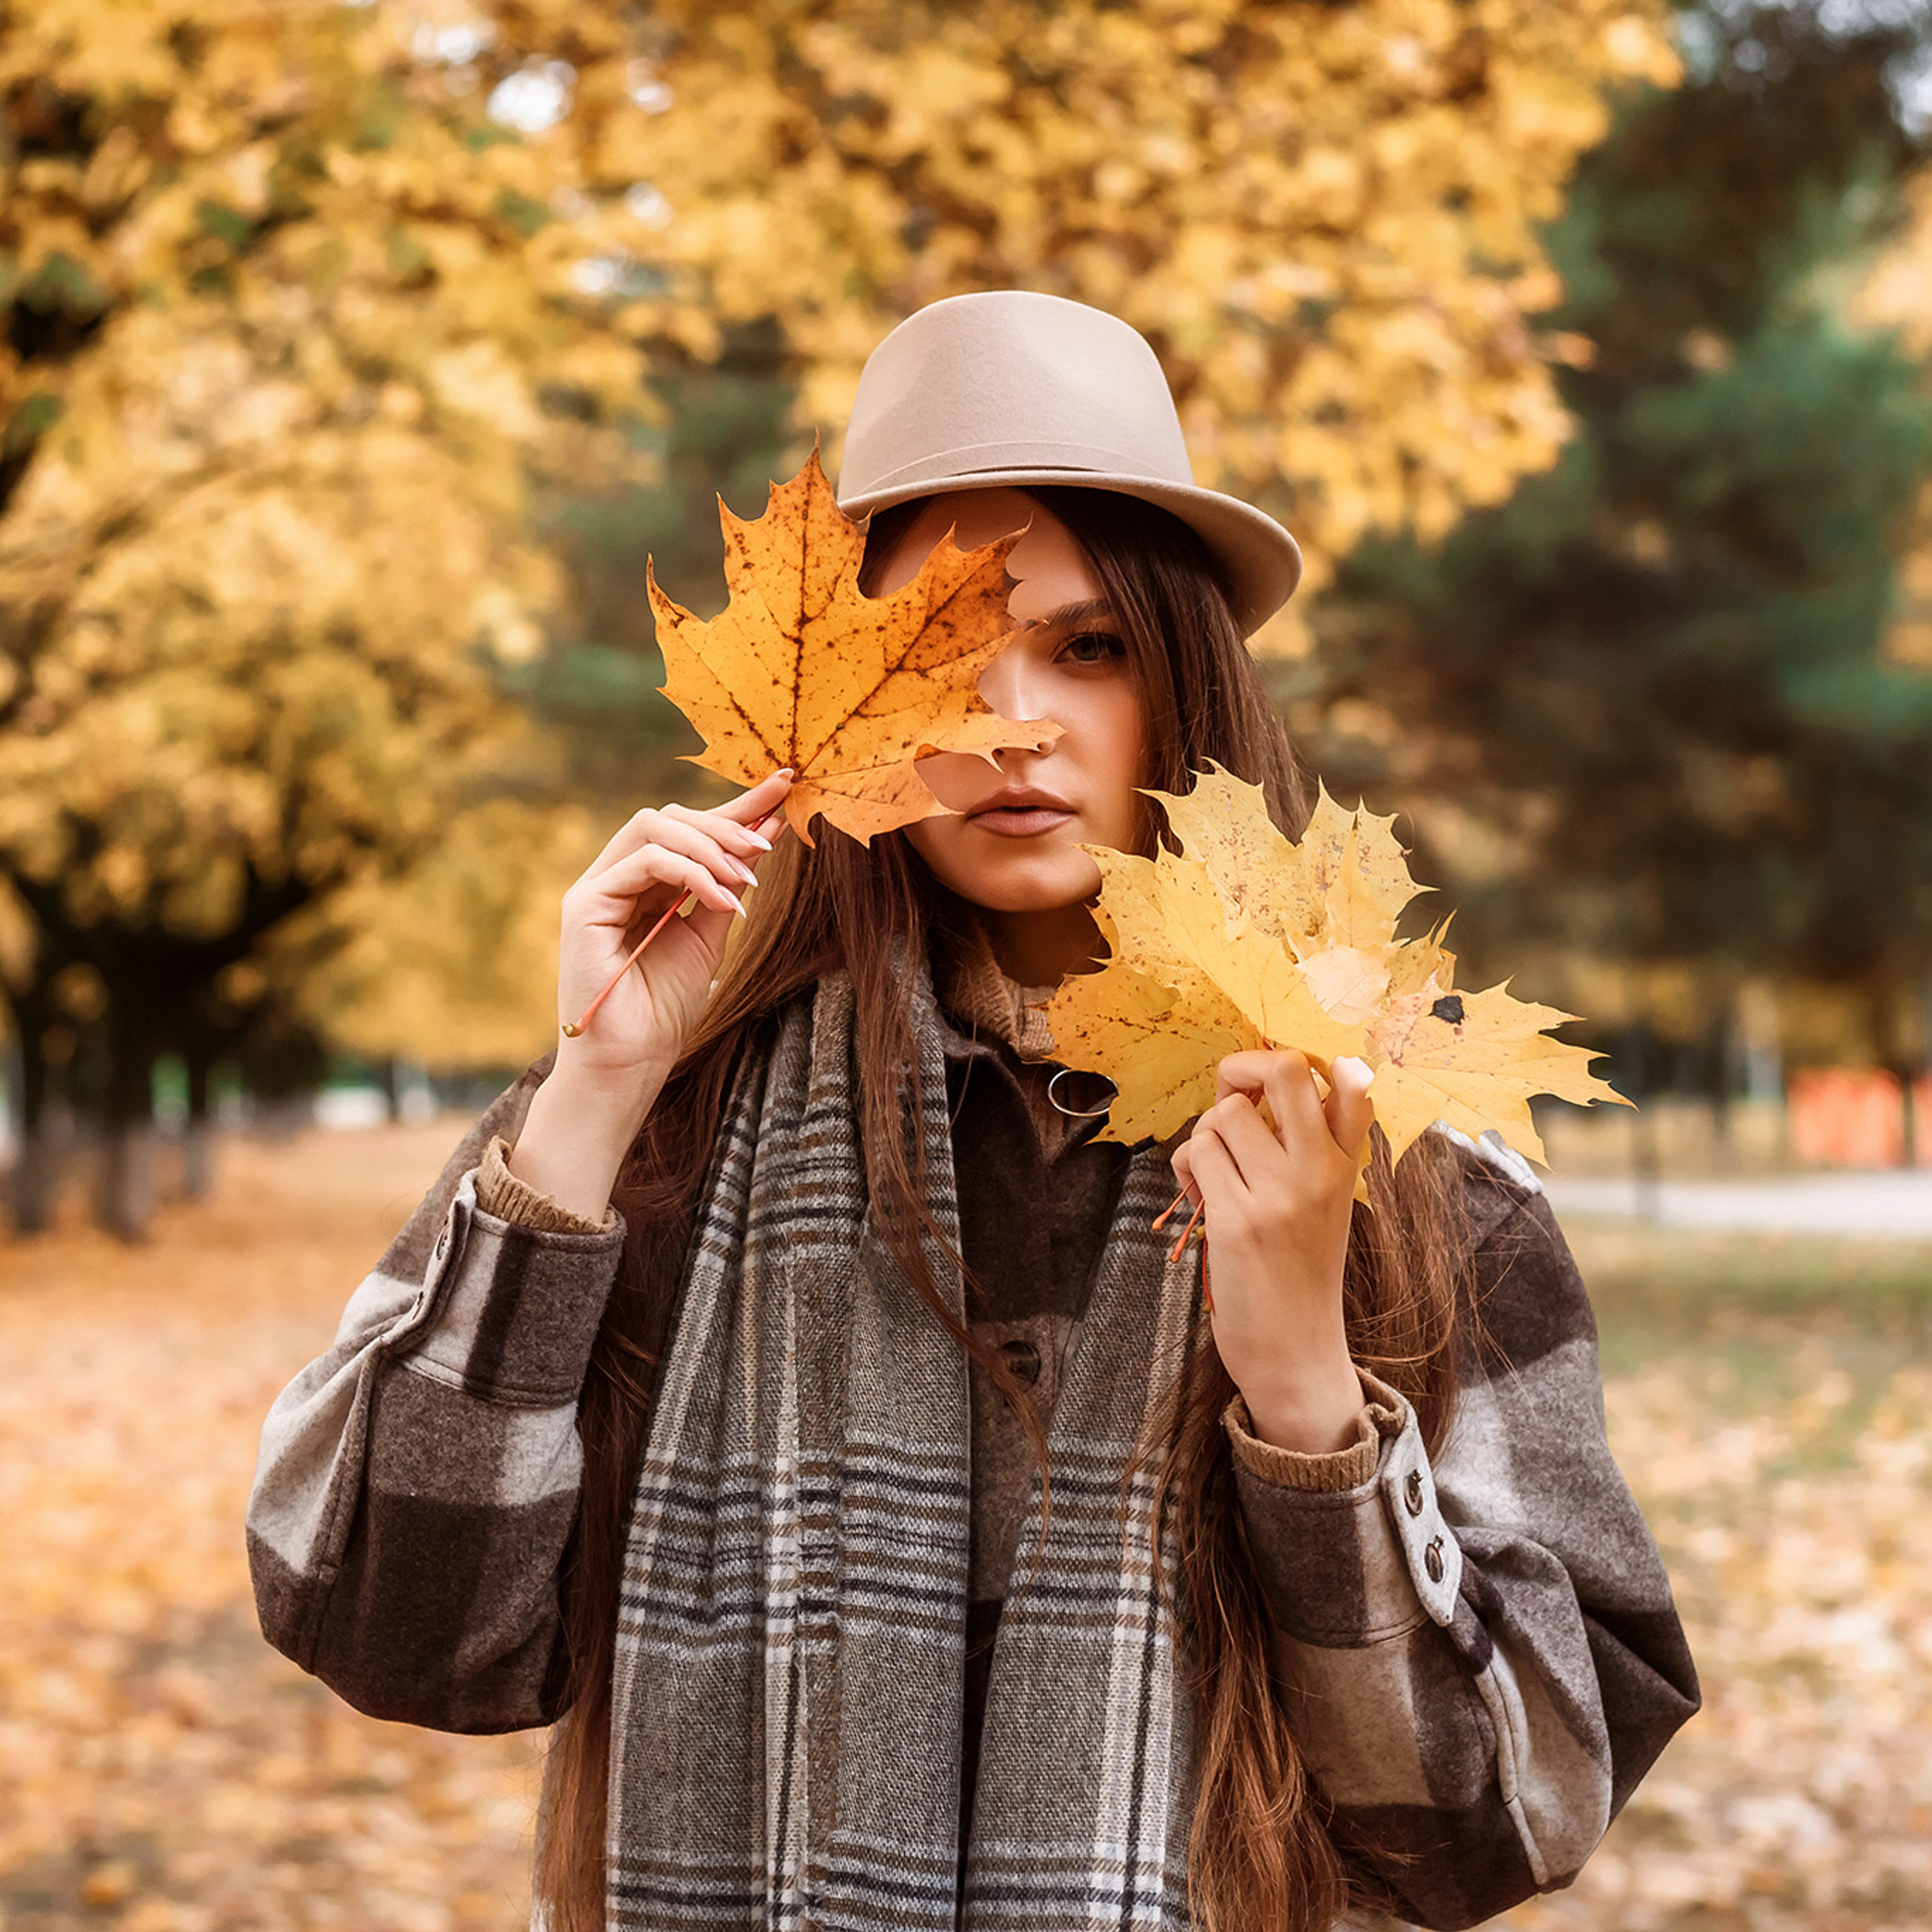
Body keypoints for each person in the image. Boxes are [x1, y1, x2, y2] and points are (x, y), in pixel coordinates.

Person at [248, 291, 1698, 1932]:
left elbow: (1506, 1816)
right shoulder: (659, 1126)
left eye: (1087, 647)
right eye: (942, 652)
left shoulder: (1398, 1157)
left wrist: (1303, 1397)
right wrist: (587, 1094)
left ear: (1182, 676)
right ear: (844, 704)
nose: (1016, 718)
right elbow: (387, 1621)